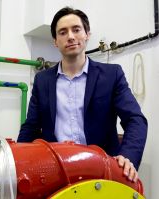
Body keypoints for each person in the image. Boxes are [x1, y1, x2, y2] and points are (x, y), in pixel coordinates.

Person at [17, 7, 147, 183]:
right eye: (63, 32)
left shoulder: (111, 75)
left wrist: (128, 156)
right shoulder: (42, 81)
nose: (70, 36)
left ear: (87, 34)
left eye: (76, 29)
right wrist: (16, 162)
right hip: (56, 173)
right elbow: (30, 127)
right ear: (55, 41)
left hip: (103, 171)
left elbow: (135, 120)